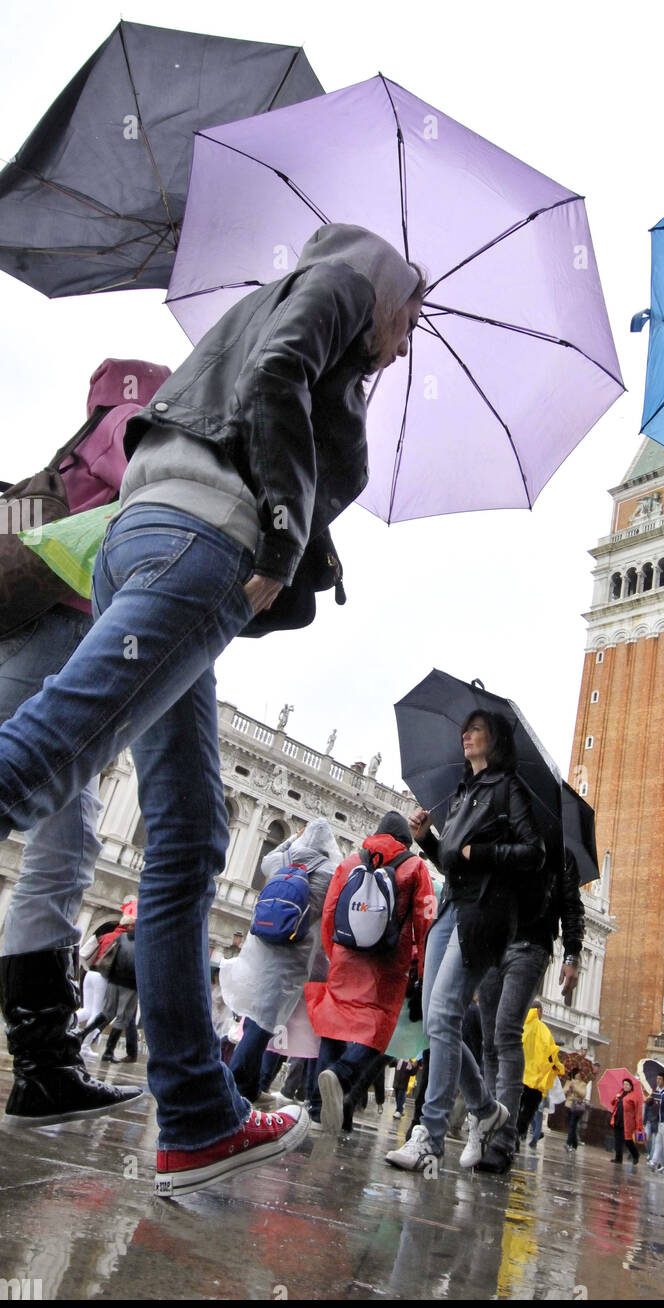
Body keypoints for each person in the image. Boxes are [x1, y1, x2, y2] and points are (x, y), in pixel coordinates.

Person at [0, 224, 424, 1192]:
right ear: (391, 287)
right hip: (202, 543)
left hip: (152, 542)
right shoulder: (344, 283)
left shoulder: (268, 306)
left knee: (190, 839)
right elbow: (277, 377)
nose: (404, 342)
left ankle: (196, 1115)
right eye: (414, 318)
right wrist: (280, 532)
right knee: (45, 753)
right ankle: (193, 1110)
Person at [0, 359, 170, 1128]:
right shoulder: (131, 436)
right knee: (60, 848)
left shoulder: (67, 454)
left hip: (28, 632)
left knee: (60, 843)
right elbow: (152, 526)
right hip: (70, 633)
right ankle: (44, 1067)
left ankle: (45, 1067)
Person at [386, 709, 545, 1173]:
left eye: (476, 729)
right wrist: (427, 841)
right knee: (442, 1026)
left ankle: (431, 1137)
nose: (466, 736)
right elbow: (453, 862)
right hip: (451, 906)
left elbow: (532, 851)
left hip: (484, 914)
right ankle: (485, 1110)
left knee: (442, 1015)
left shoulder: (507, 789)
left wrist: (483, 851)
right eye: (465, 729)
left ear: (494, 741)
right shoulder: (461, 795)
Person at [306, 812, 436, 1133]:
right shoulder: (415, 867)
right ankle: (342, 1073)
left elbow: (330, 910)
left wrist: (333, 950)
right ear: (406, 841)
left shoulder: (351, 862)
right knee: (379, 1028)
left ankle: (320, 1109)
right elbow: (426, 919)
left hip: (345, 955)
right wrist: (422, 965)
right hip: (389, 962)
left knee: (334, 1025)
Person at [476, 848, 584, 1173]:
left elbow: (571, 906)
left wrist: (571, 955)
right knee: (489, 1042)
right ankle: (489, 1126)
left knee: (507, 1035)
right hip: (493, 943)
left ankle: (502, 1140)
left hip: (531, 945)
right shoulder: (504, 833)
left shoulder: (560, 851)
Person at [220, 818, 342, 1102]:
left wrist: (291, 840)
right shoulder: (330, 873)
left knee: (256, 1018)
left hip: (260, 947)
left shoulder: (282, 860)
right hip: (293, 954)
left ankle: (248, 1087)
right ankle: (235, 1083)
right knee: (266, 1021)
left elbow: (266, 859)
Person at [516, 1002, 565, 1141]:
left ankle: (510, 1135)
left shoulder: (520, 1025)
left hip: (518, 1076)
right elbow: (551, 1053)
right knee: (528, 1111)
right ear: (539, 1011)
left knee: (516, 1107)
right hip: (535, 1081)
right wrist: (559, 1068)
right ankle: (519, 1134)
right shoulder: (543, 1030)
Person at [609, 1077, 642, 1166]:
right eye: (624, 1084)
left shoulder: (634, 1096)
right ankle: (618, 1158)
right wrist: (616, 1098)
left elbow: (638, 1111)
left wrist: (639, 1125)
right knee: (617, 1140)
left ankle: (635, 1154)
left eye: (627, 1084)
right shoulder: (620, 1093)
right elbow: (612, 1103)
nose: (625, 1086)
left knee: (628, 1140)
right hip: (617, 1119)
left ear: (631, 1086)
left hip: (627, 1122)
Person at [563, 1068, 589, 1151]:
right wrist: (569, 1088)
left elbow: (583, 1094)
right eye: (577, 1073)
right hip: (568, 1105)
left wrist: (575, 1088)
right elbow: (564, 1091)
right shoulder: (569, 1082)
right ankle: (575, 1143)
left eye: (579, 1074)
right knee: (571, 1126)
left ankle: (568, 1143)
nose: (578, 1075)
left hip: (577, 1107)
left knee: (572, 1125)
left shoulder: (583, 1084)